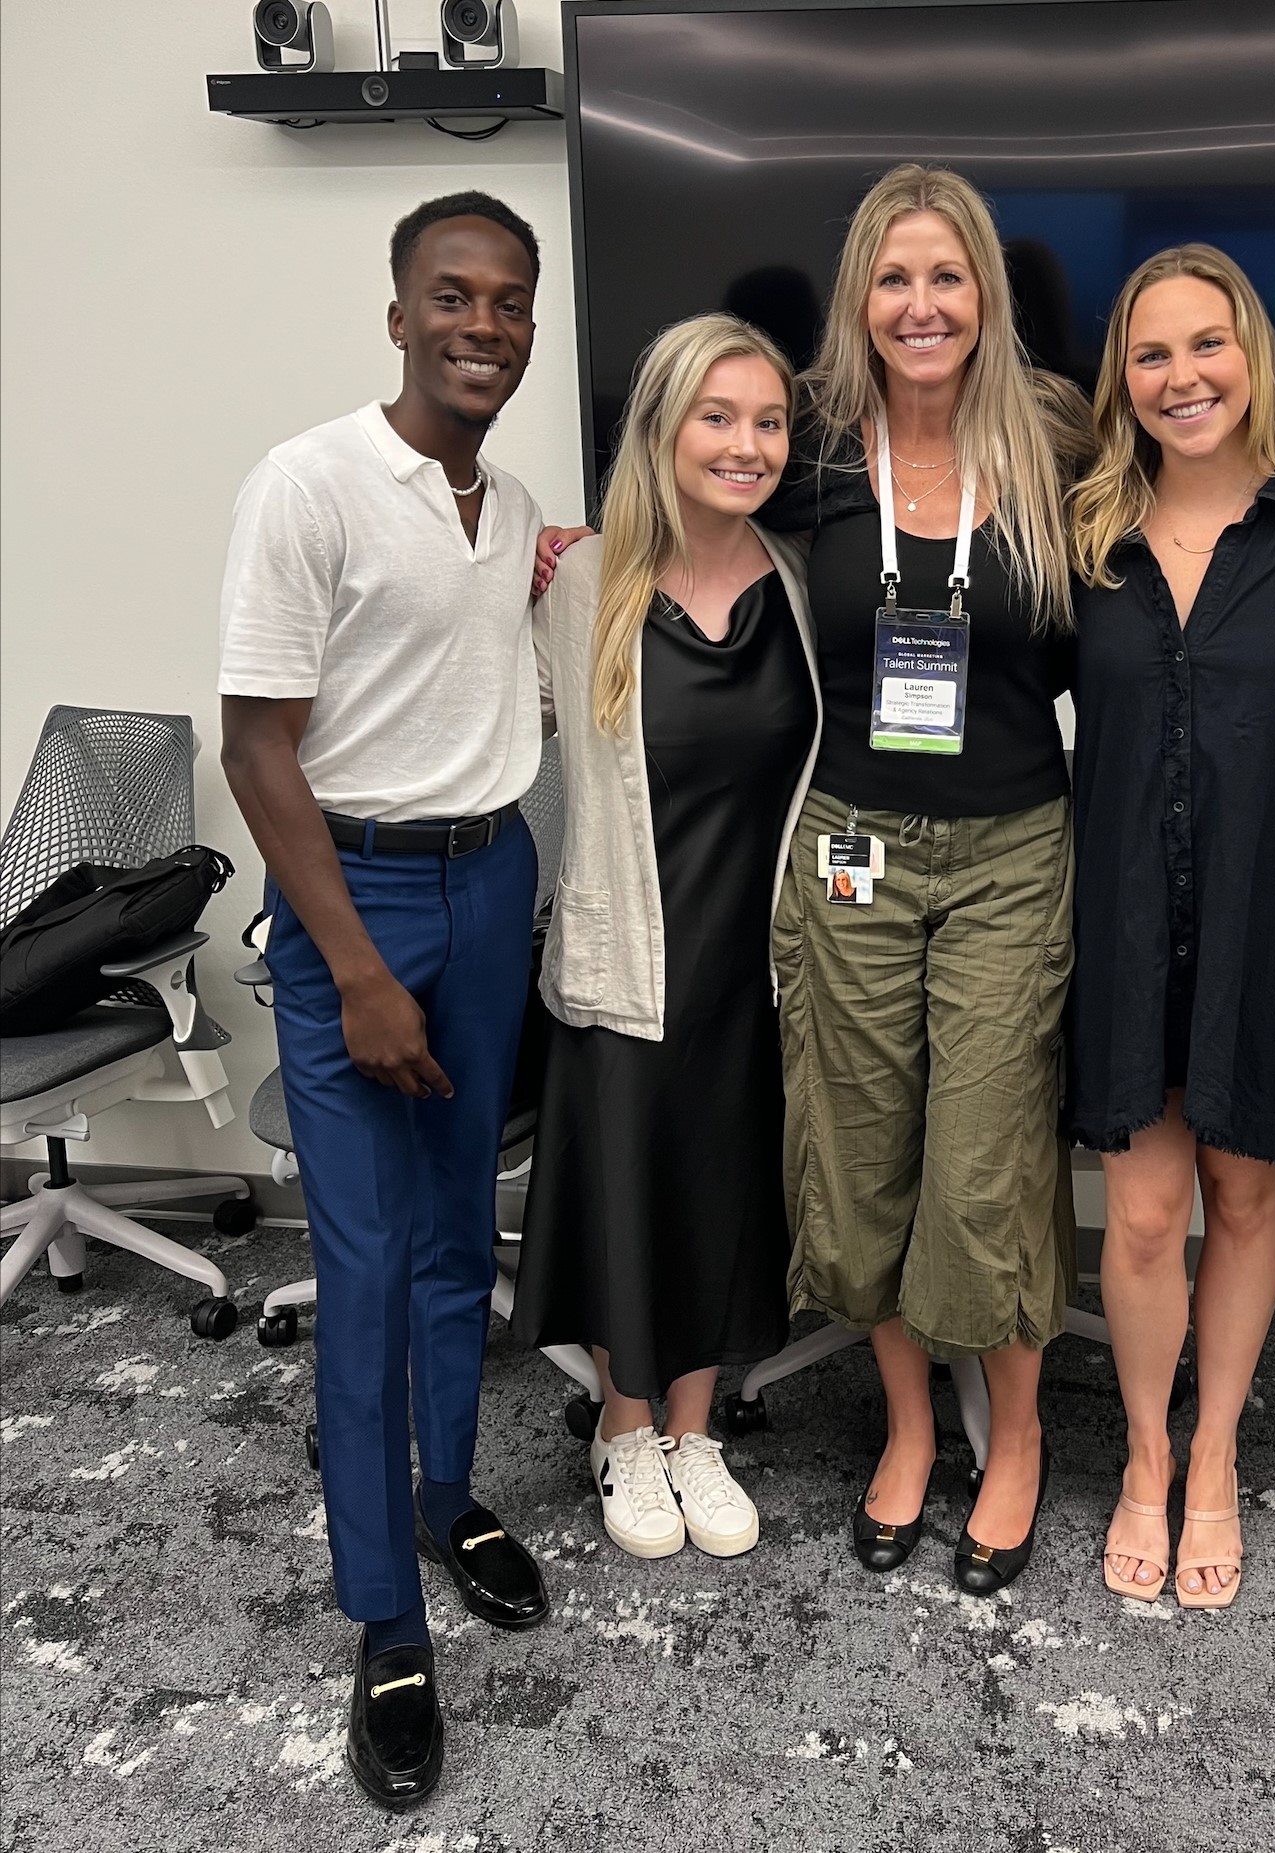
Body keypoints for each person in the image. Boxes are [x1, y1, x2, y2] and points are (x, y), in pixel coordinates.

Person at [218, 192, 552, 1809]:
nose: (483, 325)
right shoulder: (309, 482)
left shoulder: (516, 500)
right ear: (400, 312)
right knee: (359, 1267)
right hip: (353, 898)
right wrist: (350, 960)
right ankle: (384, 1616)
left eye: (510, 303)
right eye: (453, 297)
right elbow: (254, 743)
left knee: (450, 1232)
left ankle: (443, 1488)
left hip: (489, 882)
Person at [766, 163, 1090, 1593]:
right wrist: (580, 545)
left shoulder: (1060, 440)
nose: (920, 305)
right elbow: (689, 506)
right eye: (893, 279)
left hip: (1014, 849)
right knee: (861, 1147)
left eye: (945, 277)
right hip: (852, 845)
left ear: (985, 295)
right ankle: (907, 1427)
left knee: (986, 1165)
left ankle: (1013, 1443)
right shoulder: (813, 446)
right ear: (860, 299)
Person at [1066, 247, 1275, 1609]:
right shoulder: (1080, 532)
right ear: (1120, 382)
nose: (1182, 376)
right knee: (1141, 1216)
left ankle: (1216, 1458)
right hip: (1126, 912)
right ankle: (1143, 1457)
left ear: (1253, 352)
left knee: (1247, 1197)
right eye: (1151, 355)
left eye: (1208, 345)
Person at [510, 314, 820, 1564]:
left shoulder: (799, 583)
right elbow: (479, 725)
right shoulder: (580, 582)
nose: (746, 445)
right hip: (628, 948)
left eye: (768, 422)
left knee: (722, 1192)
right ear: (660, 427)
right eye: (718, 418)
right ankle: (625, 1427)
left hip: (758, 959)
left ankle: (696, 1428)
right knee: (628, 1196)